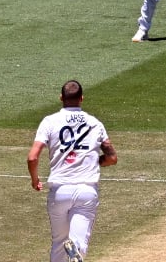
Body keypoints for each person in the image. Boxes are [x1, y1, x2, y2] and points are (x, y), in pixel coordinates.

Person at [27, 80, 118, 262]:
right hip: (86, 191)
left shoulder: (50, 121)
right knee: (78, 243)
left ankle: (71, 254)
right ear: (81, 99)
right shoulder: (95, 123)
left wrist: (35, 179)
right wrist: (91, 161)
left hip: (59, 191)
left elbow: (32, 157)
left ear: (61, 98)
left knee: (59, 242)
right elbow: (112, 158)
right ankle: (76, 253)